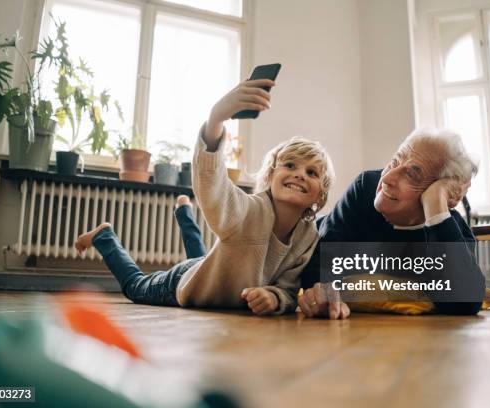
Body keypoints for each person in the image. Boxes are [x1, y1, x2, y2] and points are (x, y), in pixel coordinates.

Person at [74, 78, 335, 316]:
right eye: (290, 166)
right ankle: (104, 237)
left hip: (213, 270)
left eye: (311, 172)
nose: (300, 174)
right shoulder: (246, 209)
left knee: (204, 257)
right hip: (181, 285)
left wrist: (274, 297)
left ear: (320, 194)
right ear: (270, 175)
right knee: (135, 286)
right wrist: (215, 120)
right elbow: (214, 186)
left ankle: (183, 212)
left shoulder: (308, 236)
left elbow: (288, 289)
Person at [298, 127, 486, 319]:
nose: (387, 178)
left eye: (412, 174)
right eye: (394, 161)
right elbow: (321, 259)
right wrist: (324, 294)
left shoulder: (447, 229)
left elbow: (465, 303)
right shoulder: (365, 188)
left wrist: (437, 208)